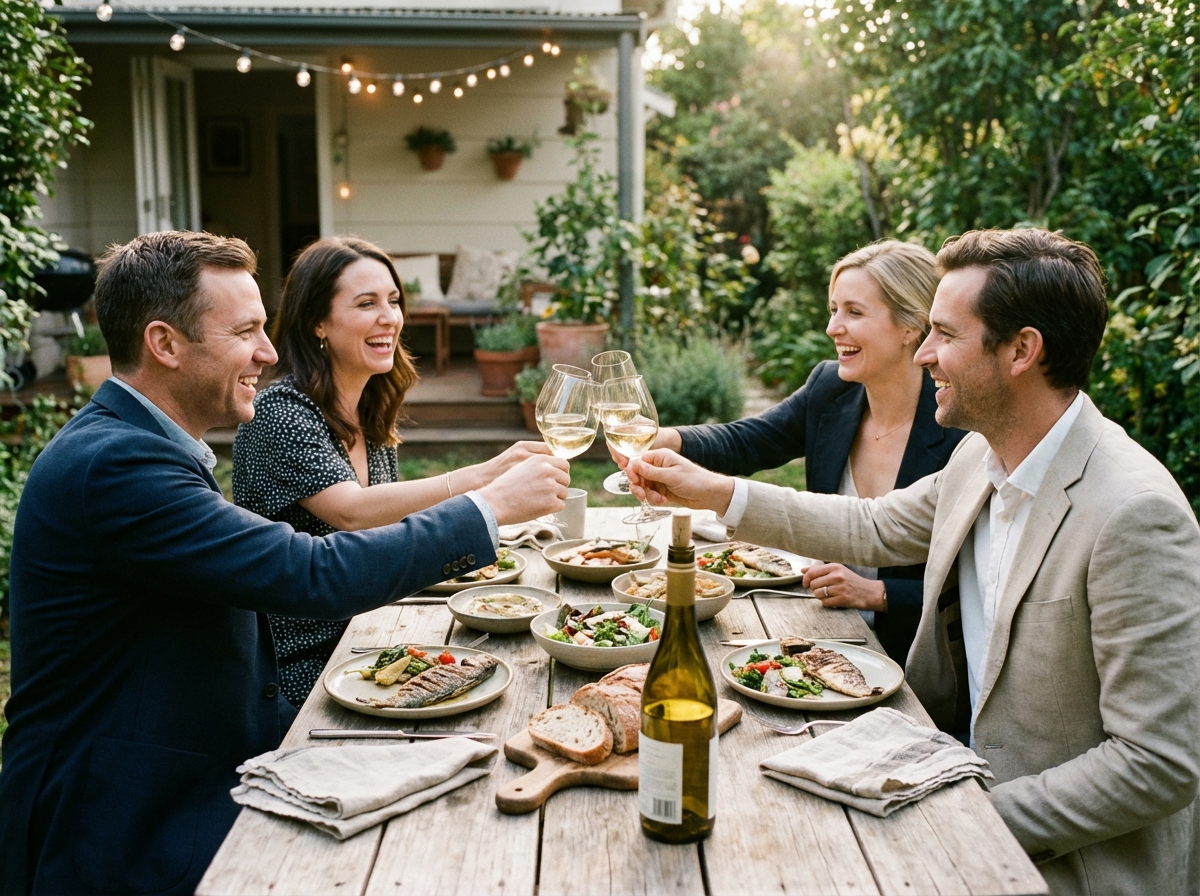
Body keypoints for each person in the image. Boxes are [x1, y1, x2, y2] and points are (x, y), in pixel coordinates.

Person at [625, 227, 1199, 895]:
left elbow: (1158, 763)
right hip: (948, 771)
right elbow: (873, 525)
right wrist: (714, 491)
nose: (924, 354)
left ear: (1022, 350)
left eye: (945, 335)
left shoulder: (1133, 514)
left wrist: (966, 819)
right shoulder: (980, 457)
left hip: (1064, 860)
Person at [0, 231, 569, 896]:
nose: (269, 354)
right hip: (116, 823)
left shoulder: (138, 446)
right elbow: (310, 573)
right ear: (165, 343)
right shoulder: (118, 466)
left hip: (186, 770)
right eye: (246, 332)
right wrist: (485, 510)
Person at [233, 237, 552, 706]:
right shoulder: (281, 412)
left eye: (394, 300)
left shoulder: (368, 406)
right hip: (297, 669)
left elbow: (391, 522)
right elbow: (353, 513)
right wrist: (485, 479)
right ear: (317, 322)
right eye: (366, 303)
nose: (390, 317)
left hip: (369, 638)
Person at [613, 240, 966, 663]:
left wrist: (882, 593)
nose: (833, 328)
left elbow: (976, 578)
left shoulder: (959, 423)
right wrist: (673, 439)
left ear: (911, 327)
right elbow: (750, 440)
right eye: (834, 309)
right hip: (824, 630)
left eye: (854, 312)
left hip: (914, 657)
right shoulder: (830, 389)